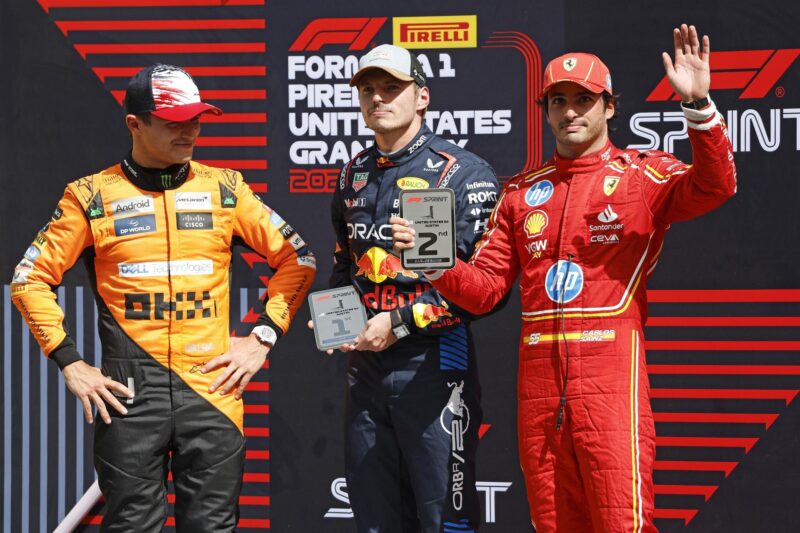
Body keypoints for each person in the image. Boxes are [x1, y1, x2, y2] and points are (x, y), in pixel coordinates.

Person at [392, 25, 737, 532]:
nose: (570, 111)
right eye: (558, 101)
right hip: (538, 386)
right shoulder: (520, 193)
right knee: (553, 524)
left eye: (583, 99)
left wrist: (699, 107)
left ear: (609, 107)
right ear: (546, 110)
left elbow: (715, 185)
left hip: (610, 379)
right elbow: (485, 291)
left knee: (623, 521)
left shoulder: (641, 174)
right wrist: (436, 263)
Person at [10, 64, 316, 531]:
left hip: (213, 390)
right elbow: (29, 278)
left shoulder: (225, 189)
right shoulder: (90, 196)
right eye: (175, 121)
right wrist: (69, 361)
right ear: (135, 123)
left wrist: (263, 336)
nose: (191, 131)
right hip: (129, 396)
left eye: (197, 119)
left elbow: (299, 258)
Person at [324, 44, 500, 532]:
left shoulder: (462, 173)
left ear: (422, 96)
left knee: (446, 519)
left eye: (391, 88)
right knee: (375, 519)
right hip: (366, 371)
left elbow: (481, 289)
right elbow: (345, 262)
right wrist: (339, 318)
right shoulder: (353, 173)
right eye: (368, 90)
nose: (377, 98)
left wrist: (399, 324)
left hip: (436, 365)